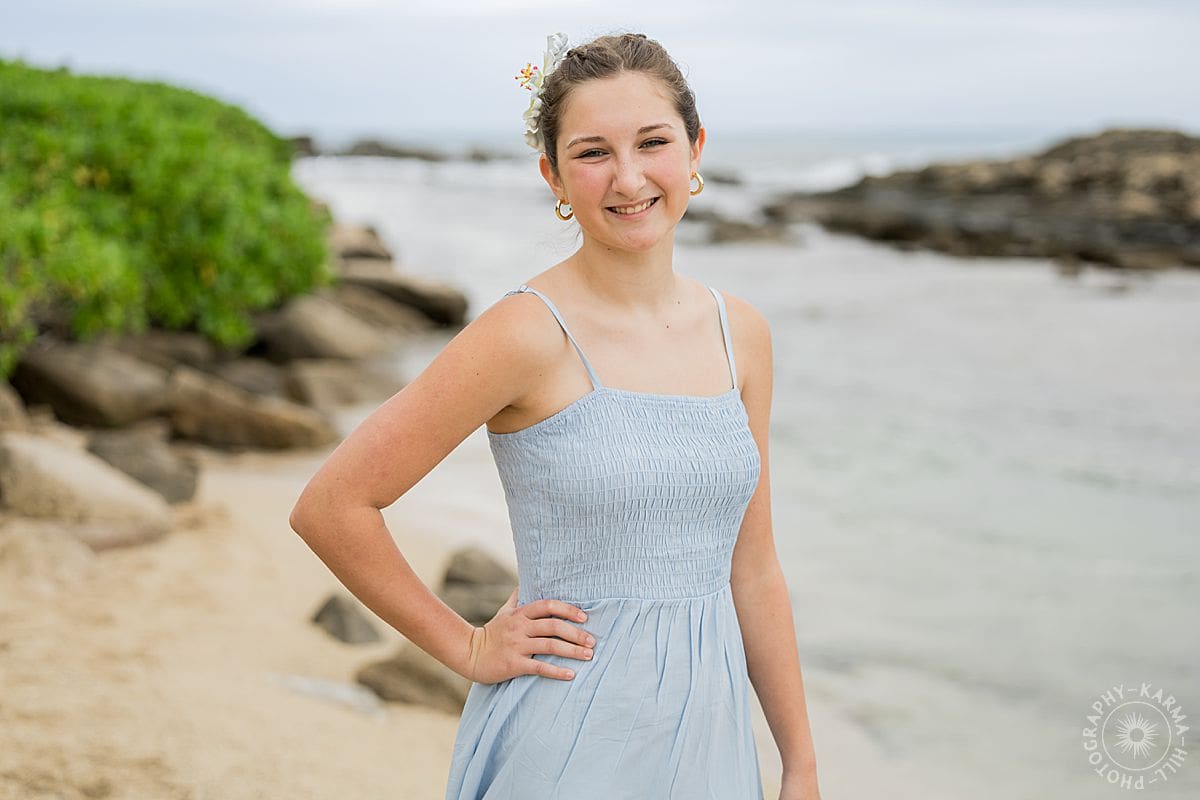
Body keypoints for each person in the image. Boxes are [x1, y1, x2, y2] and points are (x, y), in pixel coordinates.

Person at [289, 30, 821, 800]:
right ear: (554, 175)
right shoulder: (523, 334)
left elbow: (755, 567)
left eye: (653, 142)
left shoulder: (742, 334)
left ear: (696, 150)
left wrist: (800, 764)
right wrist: (468, 646)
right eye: (593, 152)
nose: (629, 177)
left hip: (710, 743)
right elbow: (332, 506)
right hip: (569, 736)